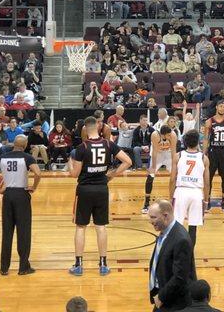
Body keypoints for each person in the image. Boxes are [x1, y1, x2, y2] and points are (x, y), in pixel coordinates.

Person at [68, 116, 132, 276]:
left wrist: (70, 162)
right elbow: (128, 161)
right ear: (97, 127)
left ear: (84, 129)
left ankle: (78, 265)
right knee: (101, 227)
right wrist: (112, 174)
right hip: (102, 189)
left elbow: (74, 174)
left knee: (81, 227)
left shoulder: (81, 148)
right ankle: (103, 264)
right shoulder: (109, 144)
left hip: (84, 190)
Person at [0, 135, 42, 275]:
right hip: (21, 195)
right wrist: (33, 187)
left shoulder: (2, 157)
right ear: (25, 144)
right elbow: (38, 173)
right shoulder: (27, 157)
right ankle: (23, 267)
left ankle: (4, 268)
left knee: (7, 232)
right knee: (23, 231)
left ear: (14, 144)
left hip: (8, 195)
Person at [148, 200, 197, 311]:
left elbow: (180, 277)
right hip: (164, 295)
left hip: (175, 302)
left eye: (153, 217)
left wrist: (161, 297)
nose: (150, 221)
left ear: (165, 216)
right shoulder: (165, 232)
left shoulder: (181, 239)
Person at [169, 130, 210, 247]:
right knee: (193, 227)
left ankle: (176, 251)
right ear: (198, 142)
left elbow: (172, 179)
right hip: (197, 193)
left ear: (185, 142)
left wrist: (170, 197)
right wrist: (206, 201)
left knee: (176, 226)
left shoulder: (178, 156)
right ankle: (189, 255)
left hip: (181, 191)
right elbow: (207, 183)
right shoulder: (204, 158)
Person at [203, 101, 224, 213]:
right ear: (217, 107)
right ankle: (208, 200)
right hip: (213, 151)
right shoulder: (209, 121)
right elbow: (206, 139)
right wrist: (203, 154)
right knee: (209, 177)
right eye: (220, 106)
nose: (222, 108)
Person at [142, 125, 178, 214]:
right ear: (164, 135)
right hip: (157, 155)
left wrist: (174, 165)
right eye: (168, 135)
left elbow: (174, 151)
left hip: (168, 154)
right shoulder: (155, 135)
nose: (170, 136)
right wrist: (153, 167)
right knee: (151, 176)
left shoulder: (173, 135)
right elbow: (154, 152)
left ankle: (173, 200)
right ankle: (146, 203)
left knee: (175, 176)